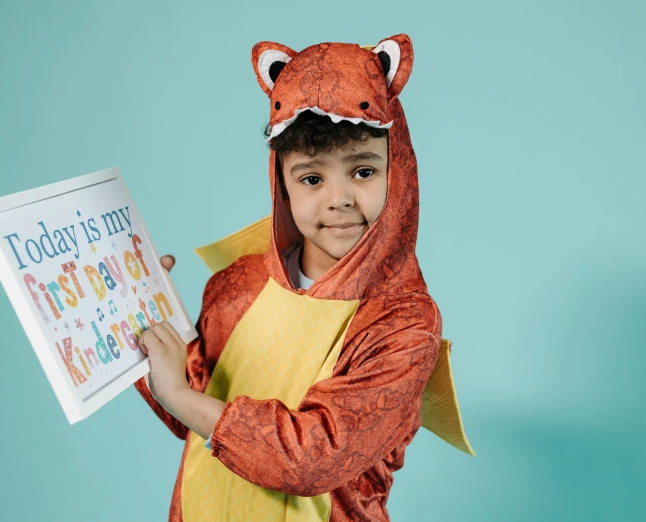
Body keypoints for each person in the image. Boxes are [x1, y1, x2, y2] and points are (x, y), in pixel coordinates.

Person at [133, 34, 473, 522]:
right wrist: (142, 307)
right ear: (283, 185)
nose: (339, 199)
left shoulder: (403, 322)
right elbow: (188, 411)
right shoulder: (239, 285)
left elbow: (314, 456)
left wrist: (181, 397)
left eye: (362, 171)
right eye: (312, 179)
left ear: (397, 172)